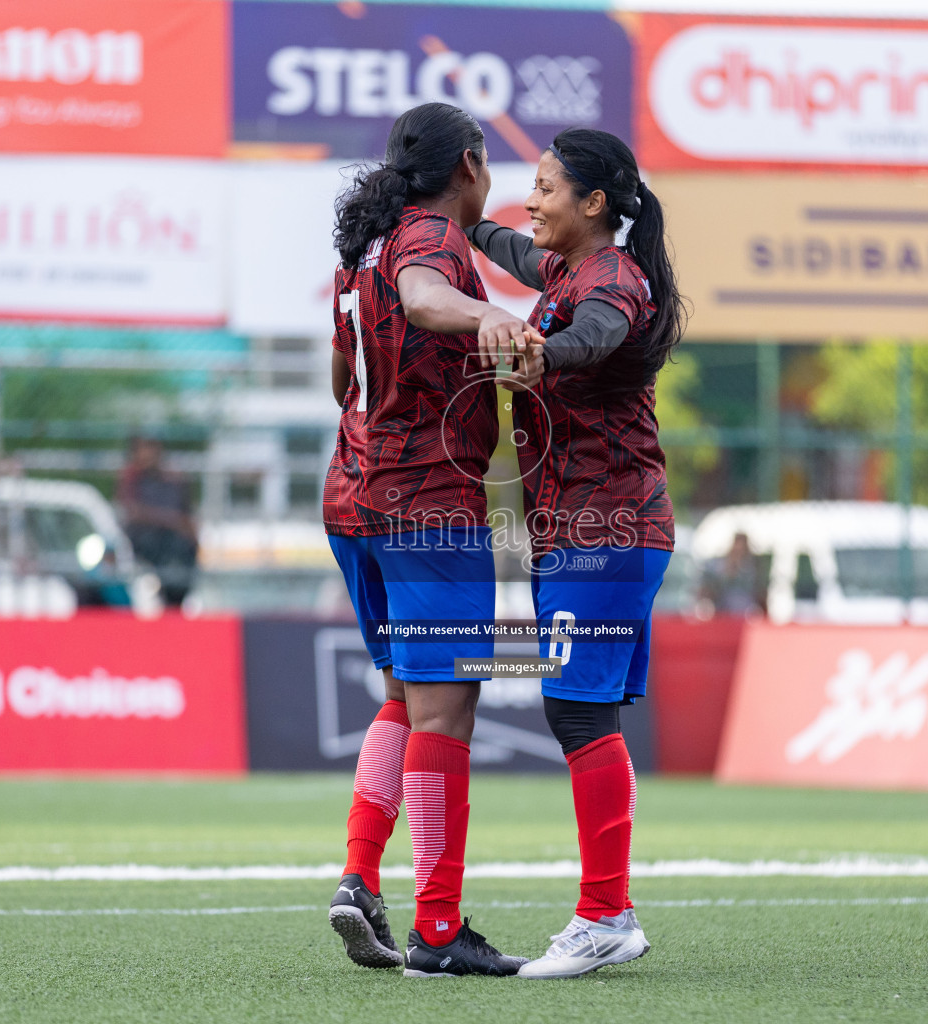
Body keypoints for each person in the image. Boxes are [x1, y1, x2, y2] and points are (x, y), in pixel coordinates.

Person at [321, 102, 543, 978]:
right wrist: (483, 320)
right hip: (427, 503)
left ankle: (359, 879)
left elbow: (342, 375)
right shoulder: (433, 245)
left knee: (405, 701)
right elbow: (421, 296)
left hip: (353, 496)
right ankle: (440, 931)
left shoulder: (359, 248)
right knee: (448, 711)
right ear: (471, 163)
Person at [465, 126, 686, 978]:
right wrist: (454, 219)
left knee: (577, 711)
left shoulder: (613, 281)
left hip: (614, 528)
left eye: (548, 187)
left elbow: (590, 339)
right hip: (580, 526)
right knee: (580, 710)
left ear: (594, 204)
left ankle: (606, 915)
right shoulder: (564, 267)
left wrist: (532, 355)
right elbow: (511, 247)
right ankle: (610, 910)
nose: (533, 199)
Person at [117, 435, 196, 607]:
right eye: (143, 448)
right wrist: (172, 520)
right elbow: (133, 513)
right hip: (143, 546)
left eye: (151, 448)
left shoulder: (174, 480)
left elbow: (187, 519)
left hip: (171, 547)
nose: (147, 454)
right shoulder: (131, 479)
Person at [698, 532, 767, 616]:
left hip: (746, 612)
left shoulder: (754, 567)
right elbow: (711, 590)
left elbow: (759, 591)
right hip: (724, 612)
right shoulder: (720, 566)